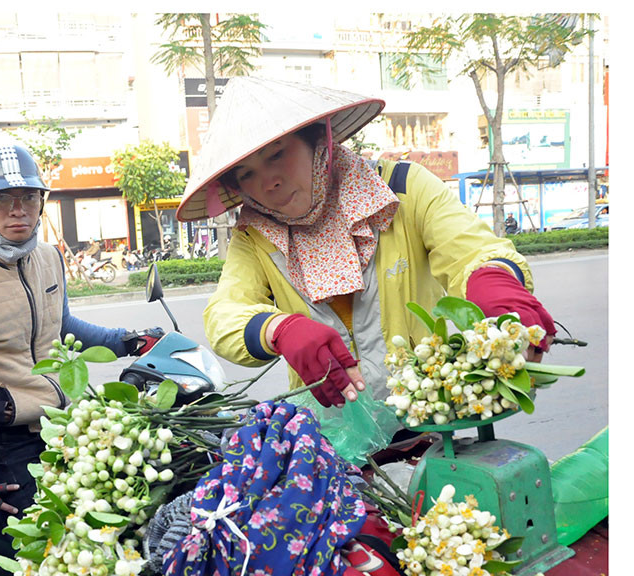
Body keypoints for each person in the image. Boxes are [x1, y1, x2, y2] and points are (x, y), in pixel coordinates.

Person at [176, 77, 554, 442]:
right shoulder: (253, 235)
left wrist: (494, 280)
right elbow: (225, 313)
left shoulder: (403, 189)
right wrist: (278, 330)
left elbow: (470, 249)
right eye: (247, 174)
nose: (268, 181)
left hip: (427, 418)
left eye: (277, 155)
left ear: (317, 141)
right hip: (329, 439)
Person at [0, 142, 161, 525]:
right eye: (1, 197)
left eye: (28, 196)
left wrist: (128, 341)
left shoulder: (48, 257)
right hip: (3, 449)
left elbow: (61, 326)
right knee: (53, 554)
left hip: (64, 428)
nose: (17, 208)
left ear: (43, 200)